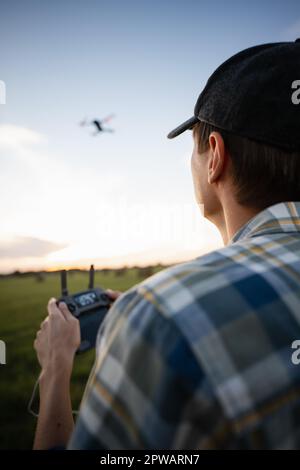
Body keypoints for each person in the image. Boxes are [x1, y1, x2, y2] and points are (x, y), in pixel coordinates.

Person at [34, 39, 300, 450]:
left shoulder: (161, 317)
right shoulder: (162, 314)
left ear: (215, 157)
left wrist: (55, 371)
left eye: (191, 148)